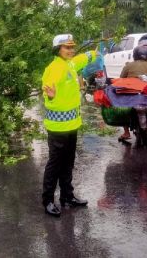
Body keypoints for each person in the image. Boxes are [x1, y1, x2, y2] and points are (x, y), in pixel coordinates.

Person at [41, 34, 97, 217]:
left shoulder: (70, 64)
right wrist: (50, 95)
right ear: (58, 50)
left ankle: (67, 197)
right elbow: (48, 94)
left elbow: (82, 59)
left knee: (68, 163)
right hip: (58, 128)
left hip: (72, 125)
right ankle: (48, 200)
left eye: (72, 47)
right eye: (67, 47)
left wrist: (93, 53)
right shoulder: (54, 69)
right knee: (55, 164)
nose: (71, 50)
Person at [117, 44, 147, 141]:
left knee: (122, 110)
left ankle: (126, 133)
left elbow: (121, 79)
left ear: (134, 55)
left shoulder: (129, 66)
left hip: (131, 96)